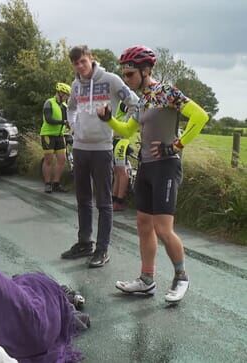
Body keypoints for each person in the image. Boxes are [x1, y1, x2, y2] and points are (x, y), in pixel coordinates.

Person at [97, 45, 209, 302]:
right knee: (143, 224)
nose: (126, 80)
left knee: (162, 228)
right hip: (145, 166)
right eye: (124, 74)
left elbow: (200, 117)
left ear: (146, 71)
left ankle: (181, 277)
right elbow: (126, 131)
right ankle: (147, 280)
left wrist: (176, 145)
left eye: (130, 74)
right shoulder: (143, 100)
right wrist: (108, 119)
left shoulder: (167, 92)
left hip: (166, 166)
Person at [60, 45, 138, 268]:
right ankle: (85, 243)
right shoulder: (76, 85)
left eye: (83, 61)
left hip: (102, 149)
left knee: (104, 202)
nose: (80, 66)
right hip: (80, 148)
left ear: (91, 59)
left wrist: (121, 127)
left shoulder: (111, 80)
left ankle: (102, 250)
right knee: (83, 199)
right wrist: (74, 127)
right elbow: (71, 108)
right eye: (76, 63)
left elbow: (135, 103)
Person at [40, 82, 71, 193]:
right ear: (60, 93)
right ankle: (48, 184)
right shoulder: (49, 102)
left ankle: (56, 183)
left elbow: (69, 121)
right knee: (48, 160)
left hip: (60, 135)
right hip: (48, 134)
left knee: (62, 160)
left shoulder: (65, 106)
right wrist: (63, 122)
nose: (67, 97)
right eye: (66, 94)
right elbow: (48, 119)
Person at [112, 101, 135, 211]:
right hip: (121, 140)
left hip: (114, 141)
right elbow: (134, 110)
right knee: (123, 174)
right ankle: (119, 202)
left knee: (117, 174)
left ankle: (114, 200)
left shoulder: (115, 103)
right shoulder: (122, 103)